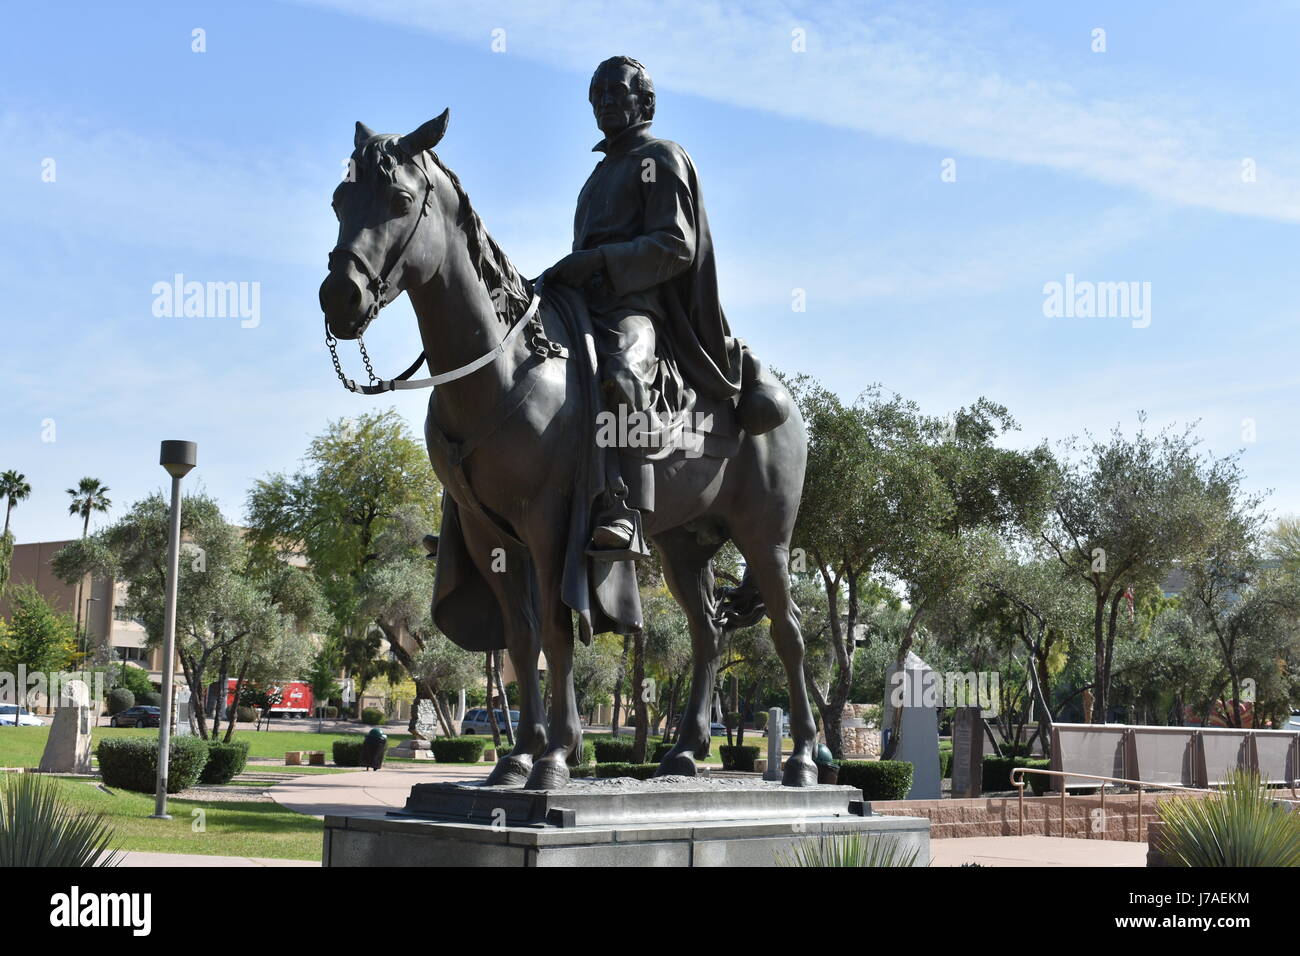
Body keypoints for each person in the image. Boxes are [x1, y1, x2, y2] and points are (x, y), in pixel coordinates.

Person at [549, 56, 787, 557]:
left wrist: (596, 262)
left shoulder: (661, 157)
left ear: (646, 102)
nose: (605, 103)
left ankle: (621, 508)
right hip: (580, 306)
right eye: (597, 96)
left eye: (616, 92)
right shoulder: (596, 177)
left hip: (637, 309)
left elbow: (676, 246)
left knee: (623, 372)